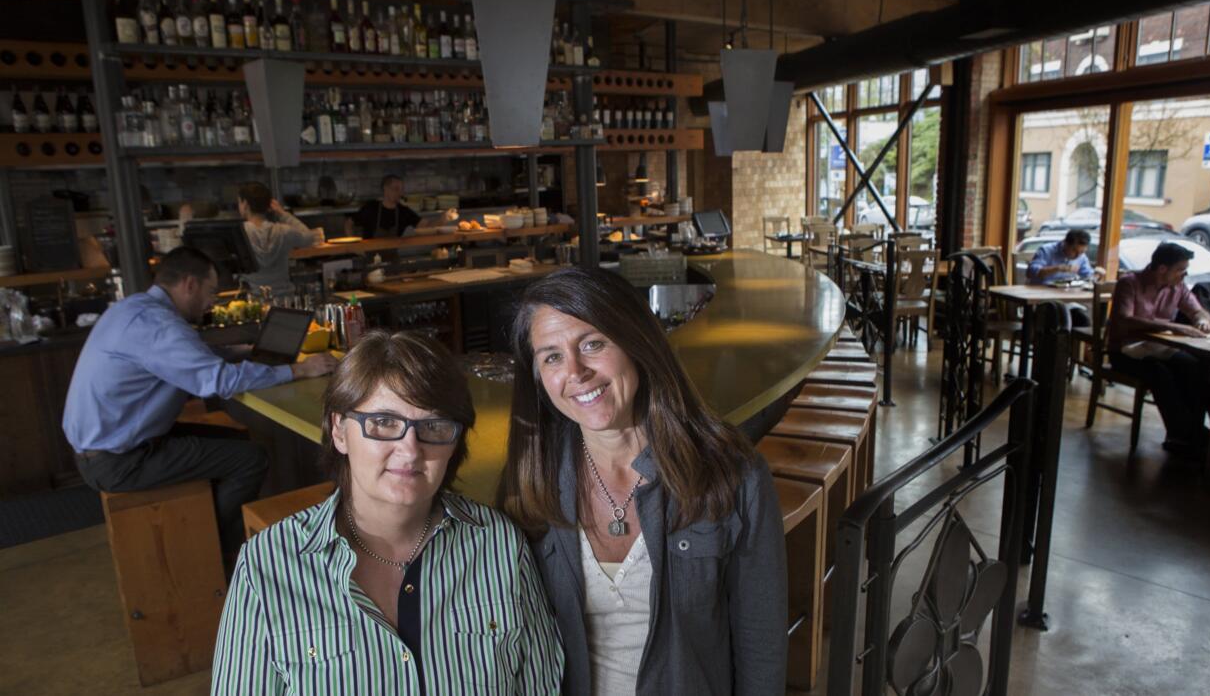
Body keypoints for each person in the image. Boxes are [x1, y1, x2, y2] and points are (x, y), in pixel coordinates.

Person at [211, 331, 563, 695]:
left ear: (455, 440)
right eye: (383, 423)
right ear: (339, 431)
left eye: (434, 426)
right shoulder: (268, 565)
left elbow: (541, 686)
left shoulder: (499, 544)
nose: (410, 451)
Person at [499, 267, 787, 696]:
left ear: (636, 342)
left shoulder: (732, 476)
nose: (575, 372)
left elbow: (761, 646)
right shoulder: (531, 480)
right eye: (552, 356)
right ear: (539, 377)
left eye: (593, 344)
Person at [63, 247, 337, 559]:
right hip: (119, 461)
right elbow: (219, 382)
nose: (212, 302)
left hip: (107, 447)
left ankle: (227, 539)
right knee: (250, 459)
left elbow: (187, 356)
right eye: (211, 291)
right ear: (189, 284)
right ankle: (207, 550)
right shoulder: (159, 325)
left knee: (238, 441)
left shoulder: (134, 309)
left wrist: (243, 352)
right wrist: (299, 369)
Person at [1106, 241, 1210, 453]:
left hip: (1158, 348)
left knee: (1195, 367)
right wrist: (1171, 326)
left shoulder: (1178, 287)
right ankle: (1183, 436)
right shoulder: (1130, 282)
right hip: (1124, 350)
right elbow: (1124, 320)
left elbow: (1198, 311)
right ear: (1163, 269)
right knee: (1160, 374)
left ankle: (1193, 434)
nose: (1183, 275)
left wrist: (1201, 320)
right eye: (1180, 270)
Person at [238, 181, 319, 297]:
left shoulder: (239, 232)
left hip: (254, 301)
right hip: (285, 300)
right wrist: (282, 213)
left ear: (245, 204)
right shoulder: (283, 232)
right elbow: (309, 237)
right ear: (269, 205)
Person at [347, 174, 421, 238]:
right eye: (396, 189)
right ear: (385, 189)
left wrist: (431, 226)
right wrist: (357, 248)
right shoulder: (371, 208)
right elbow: (348, 224)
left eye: (402, 189)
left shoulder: (404, 211)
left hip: (392, 253)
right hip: (372, 254)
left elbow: (423, 224)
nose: (400, 193)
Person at [1027, 228, 1100, 285]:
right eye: (1074, 250)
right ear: (1065, 243)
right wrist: (1057, 268)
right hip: (1041, 293)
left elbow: (1088, 275)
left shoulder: (1081, 257)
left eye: (1081, 252)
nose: (1077, 255)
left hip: (1067, 295)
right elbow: (1031, 272)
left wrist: (1097, 274)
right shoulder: (1046, 250)